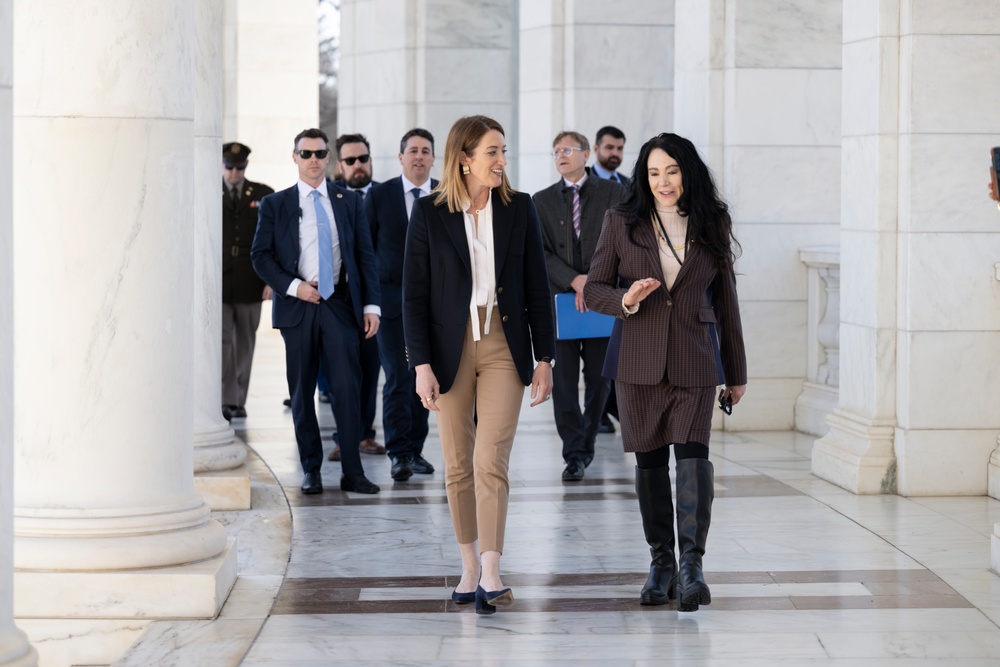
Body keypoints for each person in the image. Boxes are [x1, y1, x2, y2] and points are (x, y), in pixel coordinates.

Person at [584, 132, 747, 612]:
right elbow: (594, 289)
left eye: (671, 171)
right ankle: (662, 564)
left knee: (694, 459)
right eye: (654, 173)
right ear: (644, 176)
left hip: (696, 359)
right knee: (650, 464)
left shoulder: (711, 220)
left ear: (687, 171)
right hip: (637, 361)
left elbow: (727, 301)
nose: (663, 182)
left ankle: (692, 567)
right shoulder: (621, 222)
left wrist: (735, 371)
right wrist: (626, 300)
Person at [402, 115, 555, 615]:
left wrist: (546, 356)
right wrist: (420, 364)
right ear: (464, 157)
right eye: (493, 152)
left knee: (491, 458)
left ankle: (492, 569)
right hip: (449, 348)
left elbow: (537, 287)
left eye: (504, 151)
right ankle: (468, 565)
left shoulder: (520, 208)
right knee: (456, 462)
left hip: (503, 345)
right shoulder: (429, 214)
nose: (502, 161)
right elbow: (414, 296)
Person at [251, 128, 382, 495]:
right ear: (295, 158)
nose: (313, 160)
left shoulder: (347, 201)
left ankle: (353, 472)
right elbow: (260, 256)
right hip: (298, 307)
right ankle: (311, 470)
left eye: (319, 154)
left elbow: (364, 257)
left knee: (347, 388)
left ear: (329, 159)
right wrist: (295, 287)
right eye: (305, 154)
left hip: (340, 305)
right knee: (302, 389)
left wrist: (371, 306)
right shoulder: (275, 204)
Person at [533, 131, 622, 481]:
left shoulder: (613, 193)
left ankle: (585, 442)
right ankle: (574, 454)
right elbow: (540, 252)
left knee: (601, 382)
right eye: (555, 151)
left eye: (567, 149)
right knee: (565, 385)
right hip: (562, 304)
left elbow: (620, 242)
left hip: (601, 300)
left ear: (587, 154)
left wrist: (594, 281)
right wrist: (574, 280)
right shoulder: (541, 201)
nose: (560, 155)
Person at [366, 128, 438, 481]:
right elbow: (366, 250)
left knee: (426, 377)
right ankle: (398, 453)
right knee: (397, 377)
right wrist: (370, 303)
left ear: (434, 158)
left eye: (426, 151)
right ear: (401, 157)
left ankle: (416, 450)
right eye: (413, 150)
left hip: (435, 307)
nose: (419, 156)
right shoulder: (379, 195)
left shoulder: (445, 193)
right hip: (392, 305)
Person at [324, 133, 385, 460]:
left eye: (363, 158)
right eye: (350, 160)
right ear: (340, 164)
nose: (358, 165)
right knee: (341, 374)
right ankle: (342, 437)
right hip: (340, 300)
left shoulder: (384, 195)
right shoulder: (330, 197)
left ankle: (364, 435)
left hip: (376, 300)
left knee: (370, 371)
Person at [221, 142, 274, 421]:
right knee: (221, 342)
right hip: (219, 280)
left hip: (250, 280)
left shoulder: (263, 195)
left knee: (245, 342)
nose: (233, 173)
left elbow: (273, 241)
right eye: (229, 167)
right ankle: (225, 398)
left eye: (239, 168)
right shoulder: (208, 190)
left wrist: (271, 280)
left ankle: (238, 399)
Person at [590, 125, 631, 434]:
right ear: (596, 149)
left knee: (614, 350)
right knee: (595, 358)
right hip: (593, 282)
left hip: (624, 286)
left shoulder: (630, 187)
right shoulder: (583, 184)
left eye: (619, 148)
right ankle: (601, 413)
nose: (614, 154)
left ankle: (609, 408)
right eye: (609, 148)